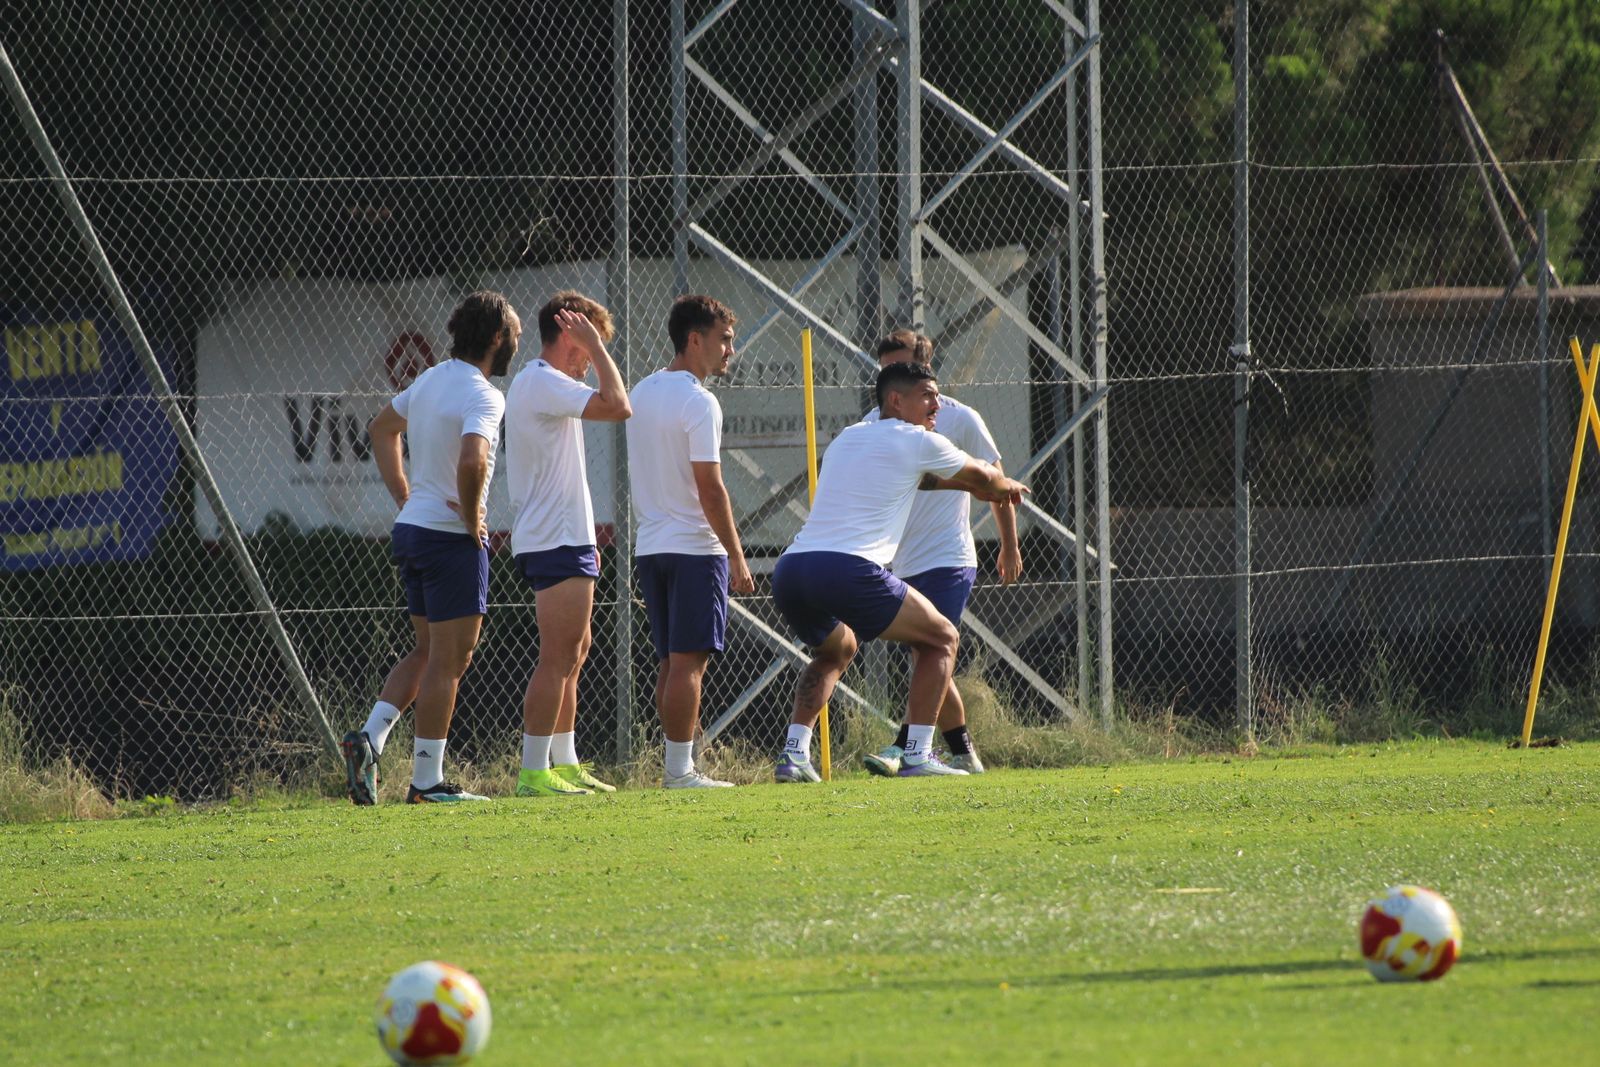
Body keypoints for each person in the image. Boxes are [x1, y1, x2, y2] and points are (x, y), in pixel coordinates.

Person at [770, 360, 1028, 782]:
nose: (936, 404)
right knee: (943, 638)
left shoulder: (850, 437)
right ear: (895, 400)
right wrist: (1007, 487)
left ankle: (794, 754)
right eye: (927, 395)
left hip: (792, 570)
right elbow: (987, 478)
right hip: (847, 569)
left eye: (938, 395)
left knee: (836, 650)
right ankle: (917, 754)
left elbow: (924, 482)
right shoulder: (918, 440)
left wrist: (974, 485)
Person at [341, 289, 517, 804]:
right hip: (447, 538)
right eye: (512, 333)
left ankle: (370, 738)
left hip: (414, 532)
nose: (515, 341)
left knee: (425, 651)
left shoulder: (429, 379)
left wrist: (406, 496)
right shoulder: (485, 394)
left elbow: (380, 429)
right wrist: (469, 515)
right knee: (449, 661)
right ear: (494, 338)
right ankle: (426, 783)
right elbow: (472, 462)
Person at [860, 329, 1023, 776]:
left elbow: (995, 480)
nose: (889, 378)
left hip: (949, 558)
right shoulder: (876, 423)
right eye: (885, 370)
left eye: (899, 366)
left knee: (932, 651)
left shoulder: (959, 418)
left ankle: (904, 749)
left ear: (924, 368)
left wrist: (1009, 544)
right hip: (902, 560)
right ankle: (963, 751)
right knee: (930, 658)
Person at [505, 290, 631, 797]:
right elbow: (618, 405)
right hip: (552, 539)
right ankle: (533, 771)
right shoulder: (540, 380)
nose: (589, 357)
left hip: (566, 537)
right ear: (567, 334)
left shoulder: (549, 384)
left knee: (576, 651)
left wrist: (586, 538)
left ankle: (565, 760)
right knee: (557, 656)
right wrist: (598, 351)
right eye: (585, 342)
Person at [626, 295, 755, 789]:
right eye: (723, 339)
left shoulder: (642, 390)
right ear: (694, 339)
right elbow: (710, 486)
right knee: (688, 664)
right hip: (695, 548)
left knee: (671, 663)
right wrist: (737, 556)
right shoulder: (699, 400)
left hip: (652, 547)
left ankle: (677, 766)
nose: (730, 350)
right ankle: (680, 772)